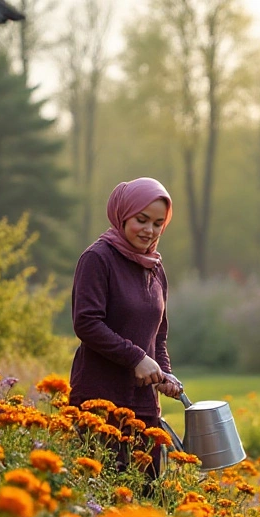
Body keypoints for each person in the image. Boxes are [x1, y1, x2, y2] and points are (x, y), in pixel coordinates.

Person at [69, 177, 183, 478]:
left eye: (158, 223)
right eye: (141, 220)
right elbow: (86, 323)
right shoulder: (97, 259)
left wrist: (163, 373)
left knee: (145, 493)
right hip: (100, 399)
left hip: (144, 404)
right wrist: (136, 358)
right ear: (122, 216)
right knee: (102, 493)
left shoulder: (154, 267)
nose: (149, 230)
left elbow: (158, 334)